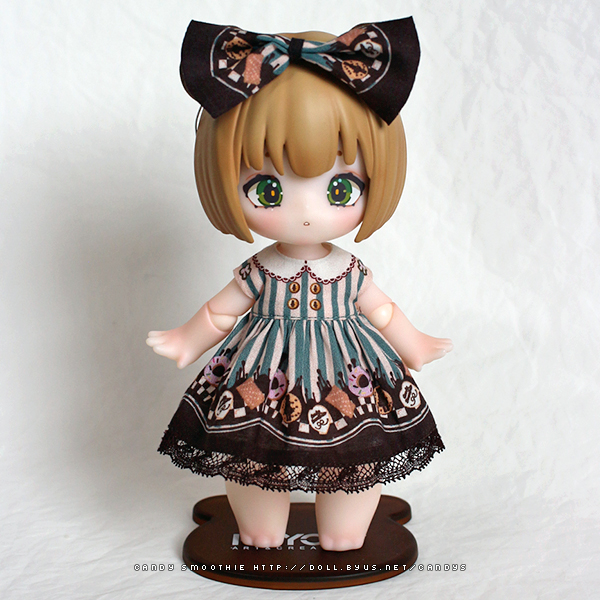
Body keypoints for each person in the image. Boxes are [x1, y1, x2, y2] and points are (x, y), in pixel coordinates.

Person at [147, 19, 452, 552]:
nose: (306, 212)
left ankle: (345, 529)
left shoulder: (348, 270)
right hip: (259, 375)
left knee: (355, 456)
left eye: (340, 188)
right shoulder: (260, 270)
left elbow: (381, 310)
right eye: (267, 190)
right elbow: (222, 312)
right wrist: (186, 339)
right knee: (251, 453)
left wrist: (415, 344)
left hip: (346, 376)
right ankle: (259, 529)